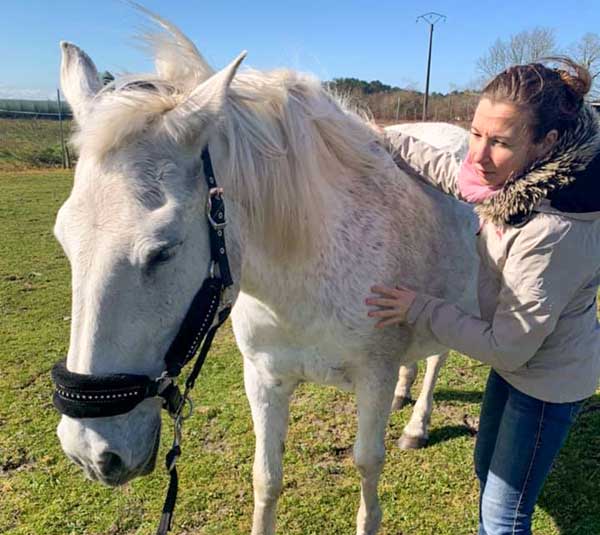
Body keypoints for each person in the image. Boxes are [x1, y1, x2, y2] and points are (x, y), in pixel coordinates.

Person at [366, 58, 600, 535]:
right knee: (485, 472)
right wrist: (384, 138)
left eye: (499, 142)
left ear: (546, 143)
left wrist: (421, 308)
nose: (478, 154)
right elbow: (455, 175)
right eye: (475, 133)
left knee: (504, 517)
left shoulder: (552, 231)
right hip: (520, 365)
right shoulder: (520, 181)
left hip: (547, 381)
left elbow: (506, 346)